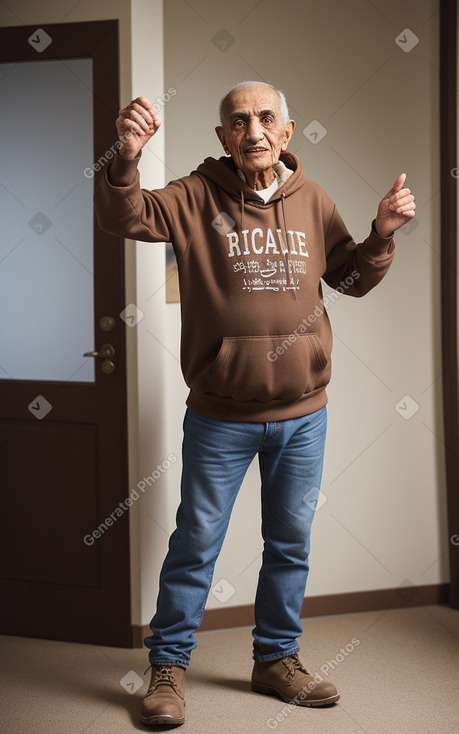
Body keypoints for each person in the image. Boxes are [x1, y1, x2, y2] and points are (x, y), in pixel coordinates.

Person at [94, 81, 416, 727]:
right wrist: (125, 157)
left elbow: (348, 282)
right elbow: (124, 216)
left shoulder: (313, 200)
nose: (253, 130)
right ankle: (168, 667)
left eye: (265, 118)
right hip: (220, 415)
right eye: (238, 121)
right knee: (195, 543)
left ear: (287, 130)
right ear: (223, 137)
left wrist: (380, 235)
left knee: (289, 542)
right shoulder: (192, 196)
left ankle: (275, 659)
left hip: (303, 414)